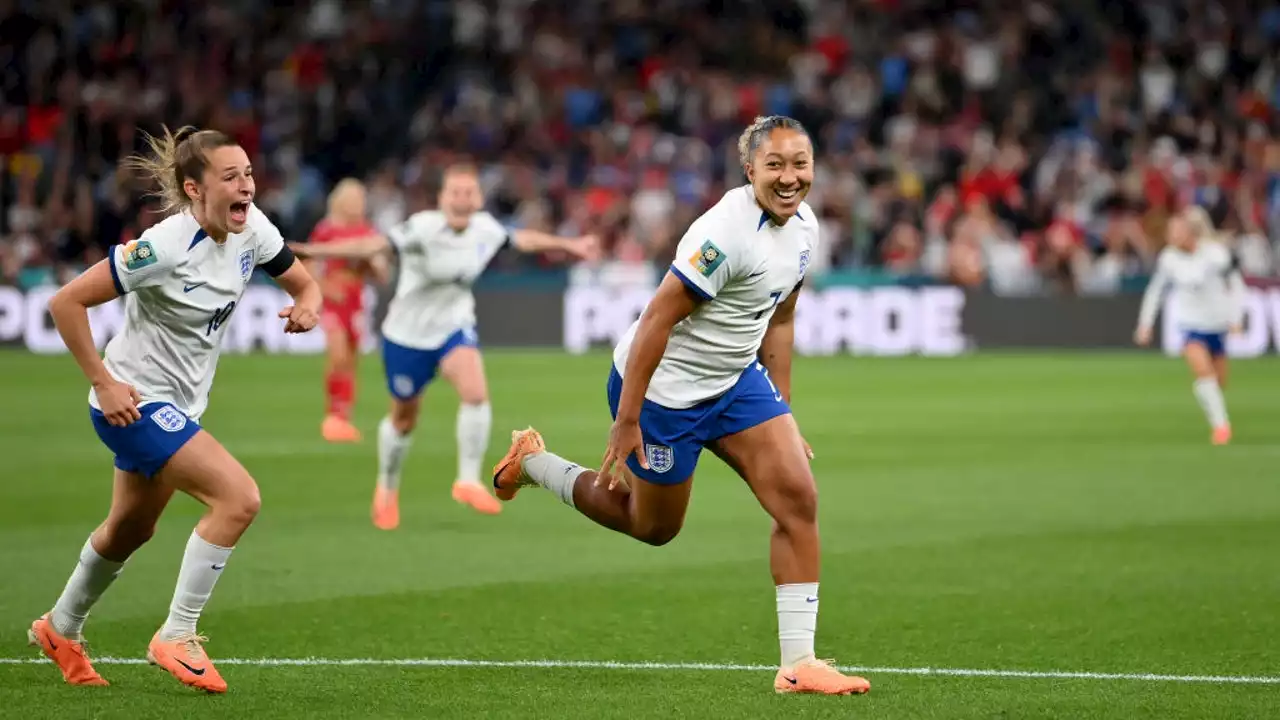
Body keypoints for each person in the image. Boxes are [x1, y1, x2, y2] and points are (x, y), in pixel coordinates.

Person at [491, 116, 870, 696]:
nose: (790, 177)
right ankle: (535, 464)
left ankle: (800, 665)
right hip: (664, 394)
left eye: (800, 164)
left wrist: (783, 412)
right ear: (750, 171)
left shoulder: (805, 229)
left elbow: (783, 316)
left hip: (736, 382)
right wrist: (627, 419)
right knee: (653, 527)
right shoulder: (724, 235)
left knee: (799, 499)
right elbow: (657, 320)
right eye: (775, 165)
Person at [27, 126, 322, 693]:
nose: (247, 187)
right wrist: (104, 381)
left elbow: (305, 286)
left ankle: (60, 627)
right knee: (238, 499)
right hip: (134, 403)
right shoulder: (162, 246)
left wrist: (307, 307)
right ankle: (178, 634)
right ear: (194, 188)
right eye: (231, 177)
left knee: (130, 529)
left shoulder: (253, 229)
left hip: (182, 407)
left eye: (250, 174)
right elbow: (66, 302)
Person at [290, 163, 599, 528]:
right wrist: (315, 250)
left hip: (454, 326)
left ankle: (466, 480)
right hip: (407, 335)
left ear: (478, 198)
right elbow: (374, 245)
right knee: (404, 419)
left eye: (469, 193)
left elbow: (525, 239)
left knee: (475, 393)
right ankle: (386, 489)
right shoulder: (421, 227)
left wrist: (570, 245)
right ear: (443, 198)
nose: (462, 199)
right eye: (455, 192)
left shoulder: (485, 228)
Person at [1135, 206, 1246, 445]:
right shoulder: (1169, 259)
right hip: (1190, 324)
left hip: (1217, 324)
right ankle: (1221, 427)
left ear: (1190, 232)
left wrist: (1236, 319)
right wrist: (1145, 324)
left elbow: (1236, 284)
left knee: (1218, 382)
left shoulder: (1215, 254)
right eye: (1169, 232)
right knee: (1202, 371)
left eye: (1176, 231)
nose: (1171, 236)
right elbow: (1156, 291)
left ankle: (1208, 398)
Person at [305, 178, 386, 443]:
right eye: (353, 199)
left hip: (356, 302)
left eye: (360, 200)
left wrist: (372, 263)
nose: (357, 205)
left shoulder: (367, 232)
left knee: (351, 360)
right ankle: (332, 416)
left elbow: (382, 274)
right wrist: (326, 288)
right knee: (338, 355)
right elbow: (310, 266)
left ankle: (343, 418)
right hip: (334, 302)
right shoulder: (327, 230)